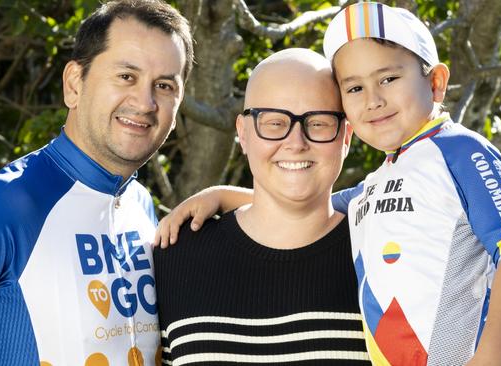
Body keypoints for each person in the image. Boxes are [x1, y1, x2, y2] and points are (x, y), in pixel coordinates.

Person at [155, 2, 501, 365]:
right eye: (355, 88)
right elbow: (326, 202)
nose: (373, 99)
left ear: (436, 82)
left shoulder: (461, 151)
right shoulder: (375, 189)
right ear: (242, 132)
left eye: (388, 79)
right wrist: (224, 195)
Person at [0, 0, 193, 365]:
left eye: (164, 85)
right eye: (126, 76)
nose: (145, 102)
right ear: (74, 84)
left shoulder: (141, 204)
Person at [154, 48, 372, 364]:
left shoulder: (380, 257)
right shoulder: (172, 257)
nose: (296, 143)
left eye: (319, 123)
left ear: (346, 137)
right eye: (274, 123)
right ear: (243, 134)